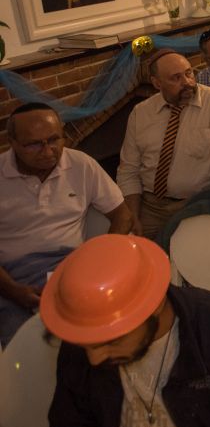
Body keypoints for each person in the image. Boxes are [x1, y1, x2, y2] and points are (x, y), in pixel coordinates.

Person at [41, 234, 210, 427]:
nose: (95, 359)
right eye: (86, 346)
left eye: (112, 342)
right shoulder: (87, 335)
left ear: (153, 308)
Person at [0, 103, 134, 347]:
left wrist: (100, 257)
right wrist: (12, 290)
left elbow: (122, 215)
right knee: (25, 348)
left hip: (70, 267)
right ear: (13, 143)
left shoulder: (80, 164)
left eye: (54, 139)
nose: (48, 151)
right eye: (34, 144)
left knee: (103, 335)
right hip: (12, 278)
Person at [118, 49, 210, 239]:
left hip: (203, 200)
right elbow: (128, 170)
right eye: (176, 78)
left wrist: (206, 203)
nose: (187, 82)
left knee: (198, 255)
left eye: (189, 73)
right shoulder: (141, 114)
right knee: (138, 254)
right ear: (157, 83)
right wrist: (132, 215)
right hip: (153, 207)